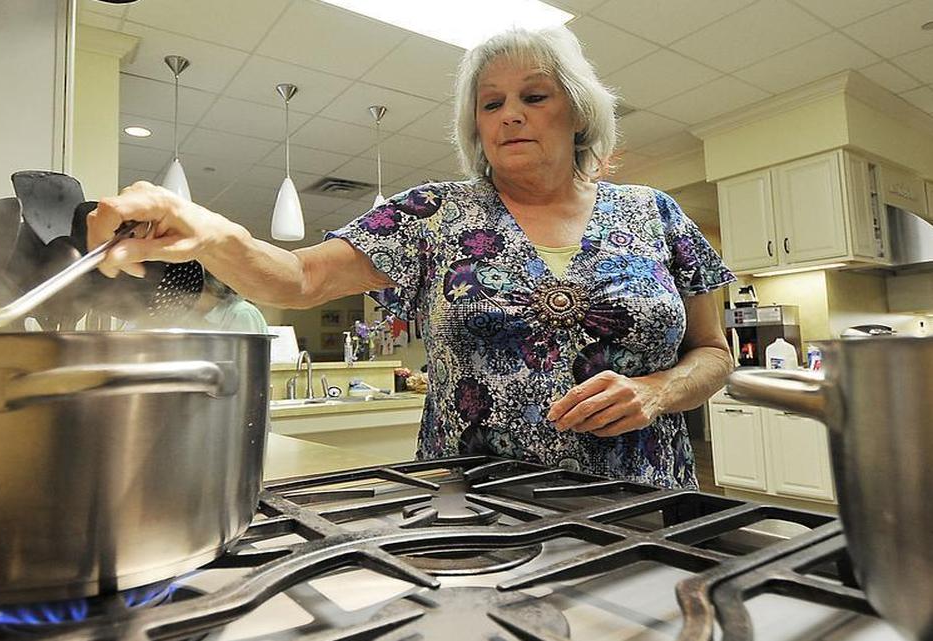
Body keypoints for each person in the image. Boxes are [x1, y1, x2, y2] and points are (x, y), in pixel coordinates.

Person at [88, 26, 735, 489]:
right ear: (475, 126)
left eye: (533, 96)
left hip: (640, 498)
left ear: (579, 112)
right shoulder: (434, 213)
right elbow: (302, 277)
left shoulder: (655, 214)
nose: (510, 115)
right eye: (491, 103)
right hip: (476, 508)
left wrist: (658, 390)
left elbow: (713, 352)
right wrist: (206, 232)